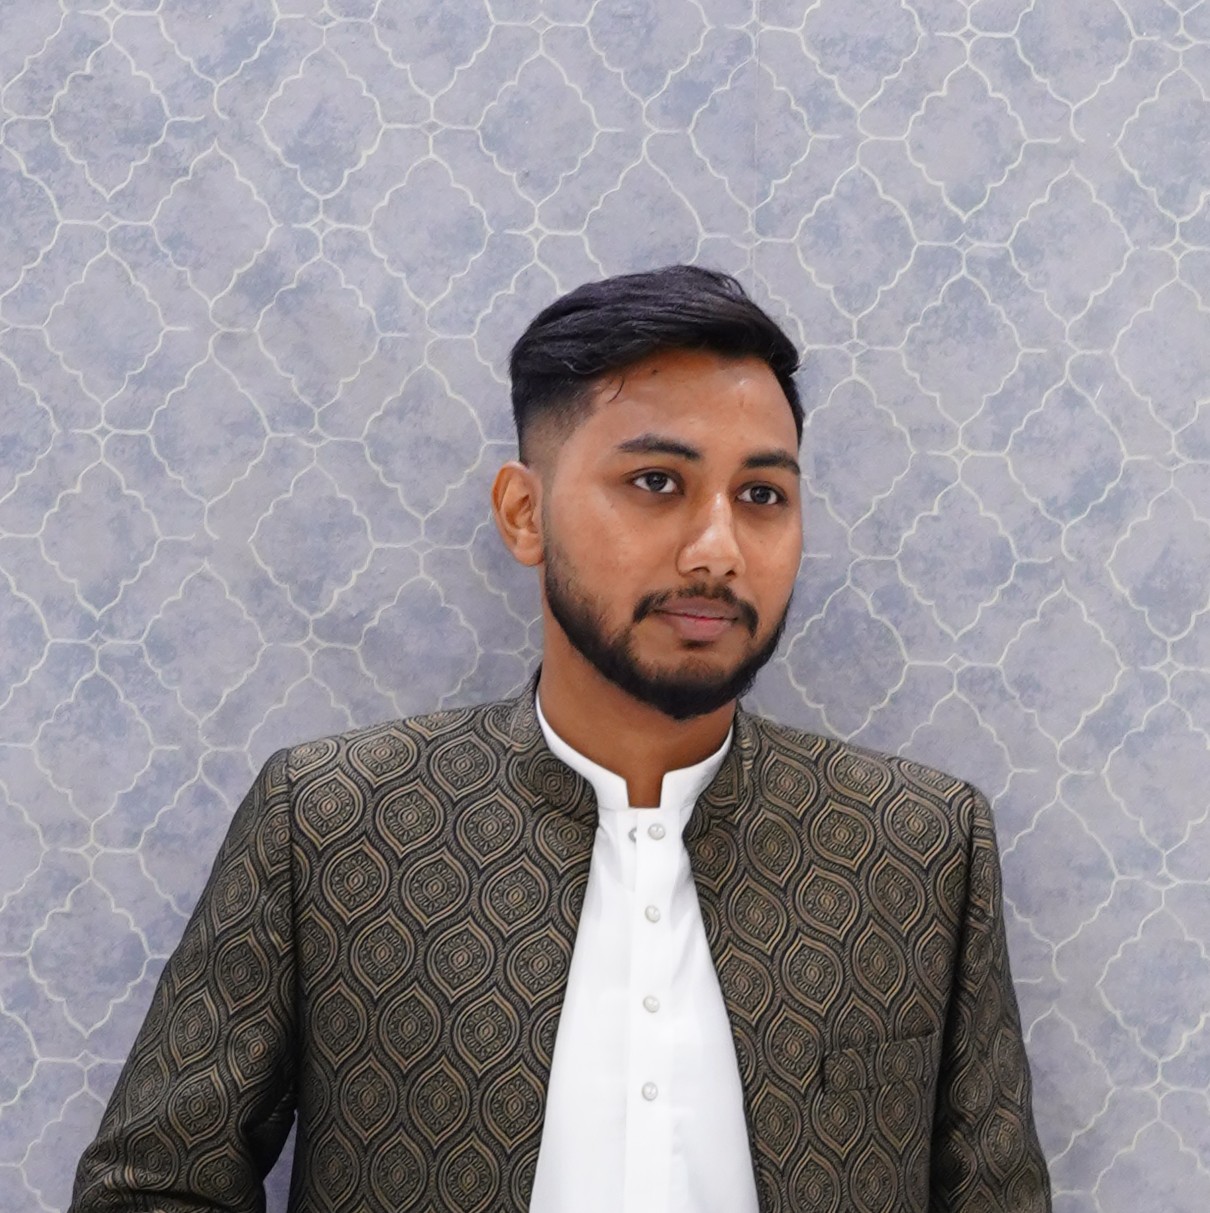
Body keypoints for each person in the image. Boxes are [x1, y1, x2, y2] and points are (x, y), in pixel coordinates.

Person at [71, 265, 1051, 1212]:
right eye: (657, 481)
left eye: (762, 495)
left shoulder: (916, 844)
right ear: (524, 512)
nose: (717, 549)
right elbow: (153, 1188)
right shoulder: (333, 825)